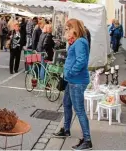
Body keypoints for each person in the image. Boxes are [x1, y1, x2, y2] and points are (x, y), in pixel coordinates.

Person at [53, 19, 92, 150]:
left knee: (79, 110)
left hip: (77, 81)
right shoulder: (75, 41)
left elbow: (82, 61)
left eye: (67, 29)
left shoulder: (80, 42)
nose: (65, 31)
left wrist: (69, 73)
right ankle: (66, 129)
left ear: (73, 29)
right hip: (73, 80)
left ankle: (87, 140)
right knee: (67, 103)